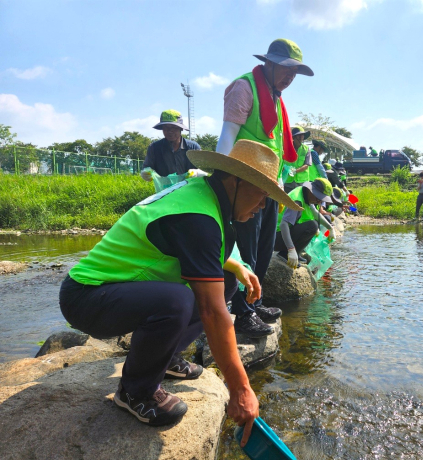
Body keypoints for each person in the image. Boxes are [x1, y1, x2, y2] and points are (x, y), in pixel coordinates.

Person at [59, 140, 302, 439]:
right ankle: (135, 392)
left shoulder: (204, 196)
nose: (264, 207)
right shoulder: (198, 216)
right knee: (180, 300)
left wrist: (238, 267)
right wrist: (241, 389)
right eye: (262, 195)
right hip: (86, 296)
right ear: (235, 181)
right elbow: (212, 312)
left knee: (221, 282)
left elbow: (201, 254)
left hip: (119, 290)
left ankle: (167, 356)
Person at [216, 38, 313, 337]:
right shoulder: (245, 88)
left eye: (294, 73)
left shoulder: (275, 96)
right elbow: (228, 134)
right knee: (244, 247)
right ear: (268, 63)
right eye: (285, 69)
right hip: (244, 184)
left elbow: (277, 147)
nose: (290, 77)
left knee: (261, 247)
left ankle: (254, 304)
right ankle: (242, 313)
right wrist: (220, 181)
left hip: (269, 184)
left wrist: (280, 182)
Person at [274, 178, 336, 268]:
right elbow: (284, 225)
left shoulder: (306, 195)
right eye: (318, 198)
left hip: (281, 235)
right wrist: (291, 249)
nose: (319, 202)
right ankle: (285, 253)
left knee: (313, 224)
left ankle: (296, 253)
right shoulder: (297, 201)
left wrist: (330, 227)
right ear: (311, 191)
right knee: (312, 226)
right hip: (276, 237)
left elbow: (315, 213)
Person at [140, 110, 202, 180]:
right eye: (166, 127)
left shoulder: (193, 148)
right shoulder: (154, 148)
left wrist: (197, 173)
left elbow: (204, 170)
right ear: (162, 129)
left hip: (190, 189)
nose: (170, 131)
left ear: (181, 128)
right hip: (166, 189)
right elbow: (147, 168)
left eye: (174, 127)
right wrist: (146, 173)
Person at [284, 126, 312, 193]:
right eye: (298, 135)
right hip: (288, 181)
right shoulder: (286, 147)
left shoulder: (306, 149)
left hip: (301, 182)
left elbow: (307, 164)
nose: (301, 137)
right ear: (293, 137)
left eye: (302, 135)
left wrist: (295, 171)